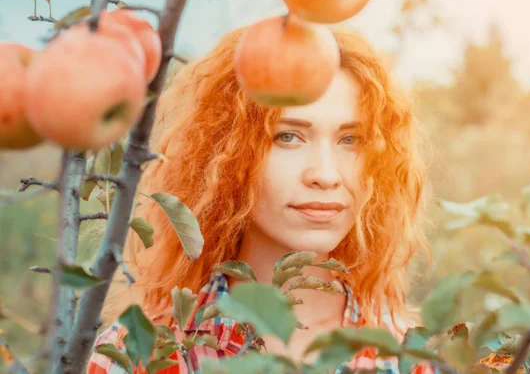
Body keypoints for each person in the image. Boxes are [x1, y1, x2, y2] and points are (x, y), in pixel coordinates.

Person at [86, 21, 437, 374]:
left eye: (351, 140)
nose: (326, 175)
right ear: (227, 151)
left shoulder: (407, 360)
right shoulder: (137, 355)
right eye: (288, 136)